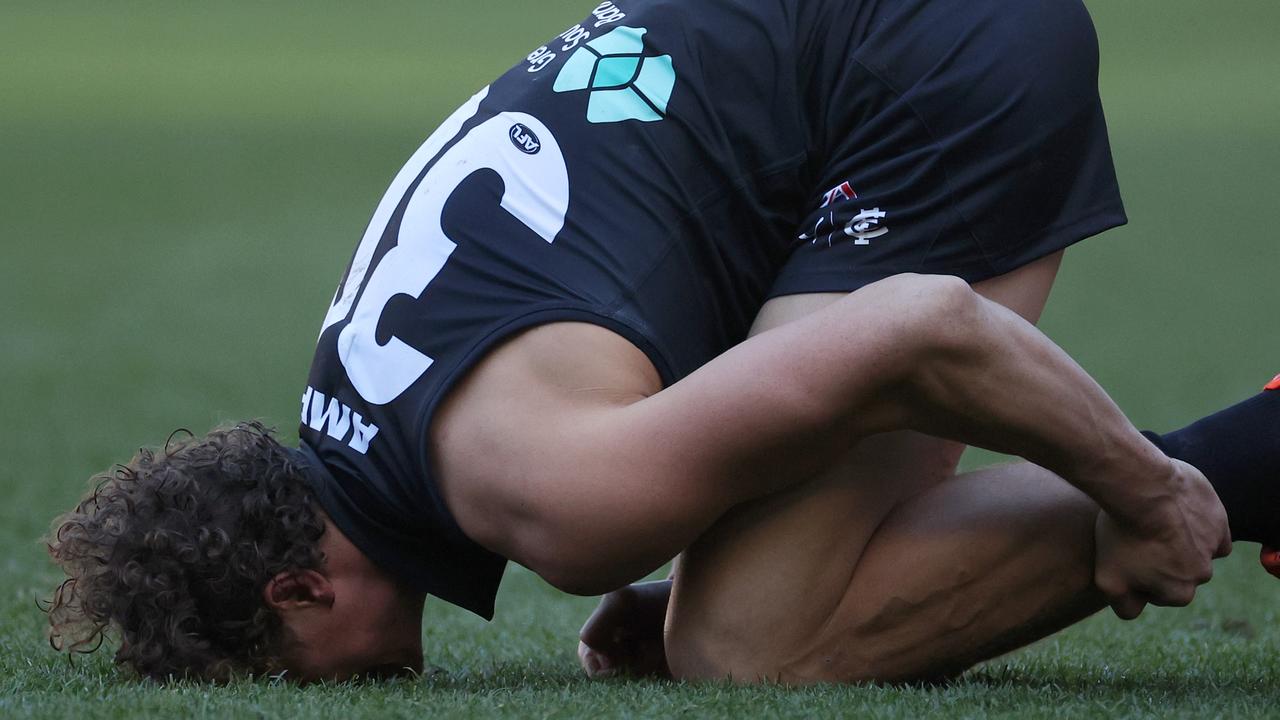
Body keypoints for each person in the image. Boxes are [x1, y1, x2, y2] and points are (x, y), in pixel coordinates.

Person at [43, 0, 1275, 684]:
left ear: (297, 590)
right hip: (872, 49)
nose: (317, 699)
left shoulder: (549, 492)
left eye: (281, 678)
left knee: (748, 644)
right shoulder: (363, 393)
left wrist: (1146, 490)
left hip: (932, 61)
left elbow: (918, 327)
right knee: (723, 615)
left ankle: (1244, 459)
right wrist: (695, 569)